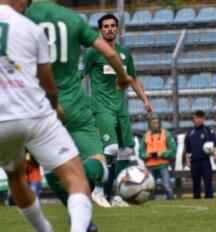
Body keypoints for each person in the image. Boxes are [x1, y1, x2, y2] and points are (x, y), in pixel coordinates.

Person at [25, 0, 131, 230]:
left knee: (51, 169)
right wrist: (123, 76)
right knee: (101, 165)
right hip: (75, 108)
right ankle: (81, 191)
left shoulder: (23, 17)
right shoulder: (72, 19)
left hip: (40, 108)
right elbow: (108, 52)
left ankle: (77, 216)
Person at [1, 1, 94, 231]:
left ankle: (45, 230)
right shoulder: (30, 28)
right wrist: (54, 107)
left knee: (15, 177)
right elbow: (49, 85)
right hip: (33, 114)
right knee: (76, 178)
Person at [77, 13, 153, 207]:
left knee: (126, 150)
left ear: (117, 29)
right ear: (100, 30)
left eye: (112, 26)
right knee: (110, 148)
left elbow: (133, 79)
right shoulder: (94, 52)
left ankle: (119, 196)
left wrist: (145, 100)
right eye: (105, 26)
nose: (109, 29)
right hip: (102, 108)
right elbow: (79, 74)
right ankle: (99, 191)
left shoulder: (125, 53)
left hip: (121, 108)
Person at [139, 114, 176, 200]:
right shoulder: (145, 136)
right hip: (150, 165)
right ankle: (151, 202)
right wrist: (147, 155)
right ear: (150, 124)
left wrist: (162, 154)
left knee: (167, 184)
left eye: (157, 122)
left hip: (163, 164)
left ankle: (171, 200)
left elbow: (173, 150)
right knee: (150, 186)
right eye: (153, 123)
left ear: (160, 123)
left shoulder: (166, 134)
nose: (155, 124)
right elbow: (141, 152)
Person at [185, 110, 216, 199]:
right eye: (198, 117)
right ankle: (196, 199)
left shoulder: (207, 130)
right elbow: (187, 149)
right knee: (196, 182)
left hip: (205, 160)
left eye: (201, 118)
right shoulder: (190, 132)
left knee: (208, 181)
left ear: (203, 119)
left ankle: (209, 198)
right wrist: (187, 159)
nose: (199, 120)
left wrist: (215, 153)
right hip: (194, 161)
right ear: (194, 118)